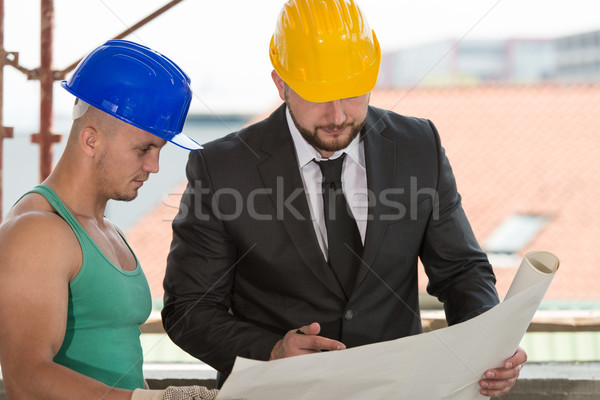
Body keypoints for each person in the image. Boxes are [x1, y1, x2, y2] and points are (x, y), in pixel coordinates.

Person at [162, 0, 526, 397]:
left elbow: (461, 271)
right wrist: (271, 351)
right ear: (280, 84)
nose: (337, 116)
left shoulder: (418, 145)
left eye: (352, 93)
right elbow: (189, 309)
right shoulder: (223, 167)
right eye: (318, 95)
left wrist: (487, 345)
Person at [0, 40, 219, 400]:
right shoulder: (37, 231)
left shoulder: (109, 231)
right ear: (90, 140)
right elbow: (27, 379)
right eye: (143, 149)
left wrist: (151, 395)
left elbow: (122, 369)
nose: (154, 166)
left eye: (159, 151)